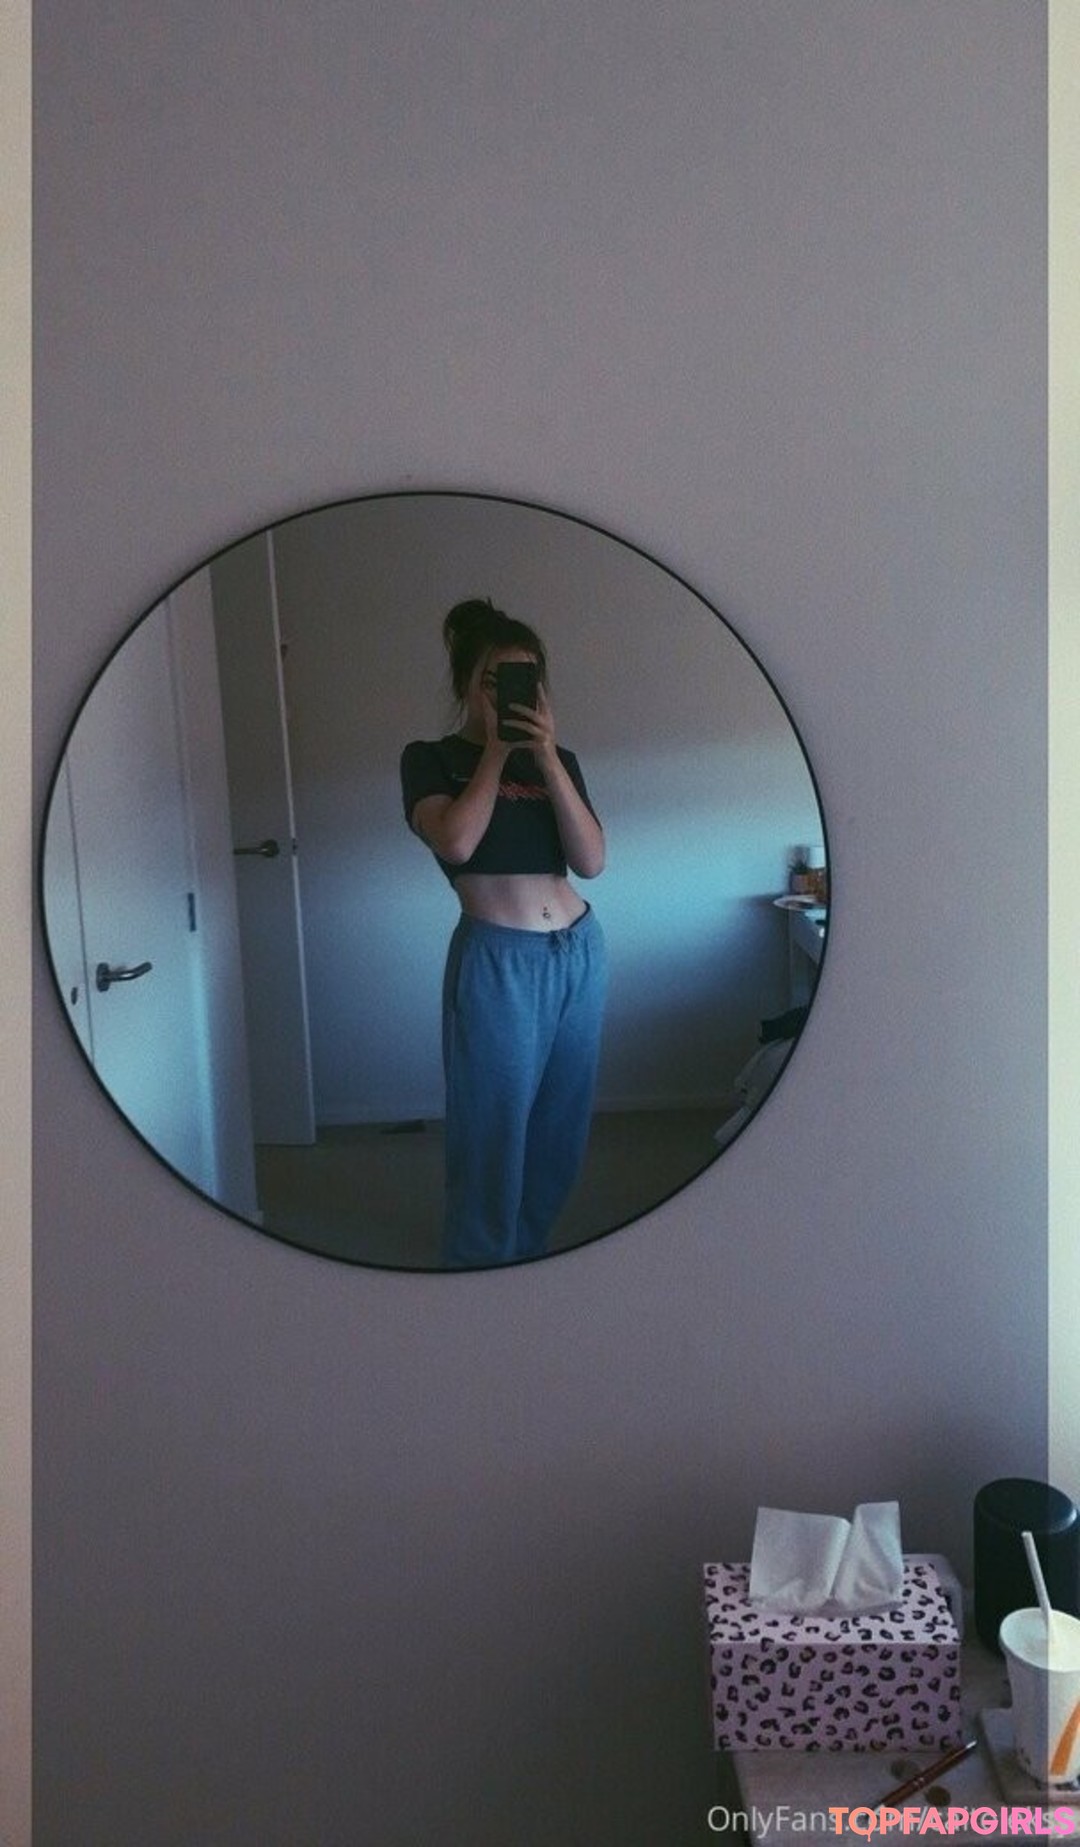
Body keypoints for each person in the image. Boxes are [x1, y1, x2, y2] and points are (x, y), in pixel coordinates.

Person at [400, 598, 607, 1267]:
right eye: (494, 681)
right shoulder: (431, 758)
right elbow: (456, 842)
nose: (508, 695)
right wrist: (494, 752)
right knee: (492, 1128)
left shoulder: (559, 761)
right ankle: (479, 1266)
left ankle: (529, 1250)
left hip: (578, 951)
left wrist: (545, 757)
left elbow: (591, 861)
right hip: (499, 961)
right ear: (466, 683)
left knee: (560, 1126)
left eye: (525, 681)